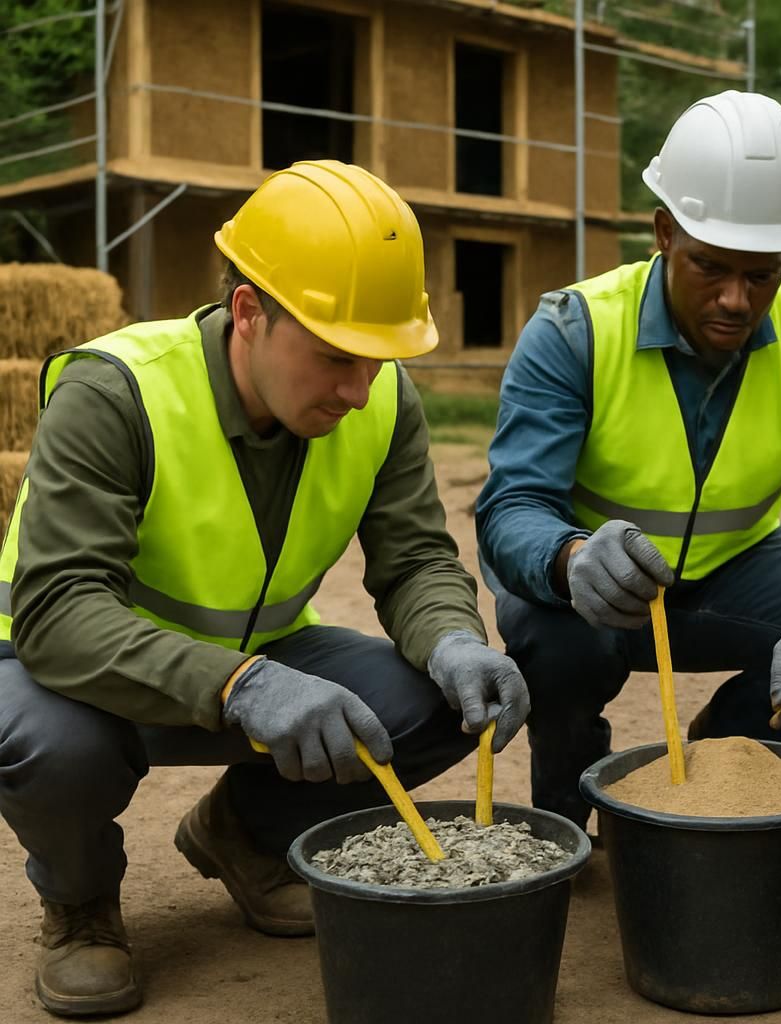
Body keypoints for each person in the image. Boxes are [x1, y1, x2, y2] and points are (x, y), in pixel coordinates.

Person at [0, 160, 529, 1018]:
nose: (360, 391)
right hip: (71, 671)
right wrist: (242, 683)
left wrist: (454, 640)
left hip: (257, 660)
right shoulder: (116, 391)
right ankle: (82, 904)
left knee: (430, 702)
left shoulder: (380, 399)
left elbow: (417, 562)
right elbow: (59, 615)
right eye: (335, 357)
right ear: (250, 312)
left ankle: (244, 833)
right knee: (55, 749)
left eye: (377, 360)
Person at [476, 90, 781, 830]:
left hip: (736, 578)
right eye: (710, 268)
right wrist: (568, 558)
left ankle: (726, 753)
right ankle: (568, 812)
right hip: (597, 592)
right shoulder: (575, 329)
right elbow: (509, 507)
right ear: (664, 232)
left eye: (761, 276)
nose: (735, 299)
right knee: (556, 641)